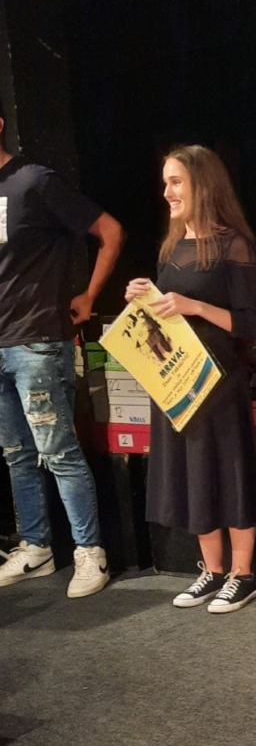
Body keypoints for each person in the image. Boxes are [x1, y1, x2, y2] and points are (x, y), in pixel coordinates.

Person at [125, 145, 256, 614]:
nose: (167, 192)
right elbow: (167, 314)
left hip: (218, 381)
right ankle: (212, 570)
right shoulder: (171, 247)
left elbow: (252, 324)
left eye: (176, 182)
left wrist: (196, 307)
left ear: (202, 185)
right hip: (176, 382)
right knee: (194, 473)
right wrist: (144, 295)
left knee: (229, 472)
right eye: (165, 183)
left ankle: (243, 574)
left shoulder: (233, 244)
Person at [0, 100, 125, 598]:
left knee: (58, 452)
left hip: (36, 339)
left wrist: (89, 295)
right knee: (16, 454)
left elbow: (109, 231)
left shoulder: (34, 181)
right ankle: (36, 546)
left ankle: (90, 551)